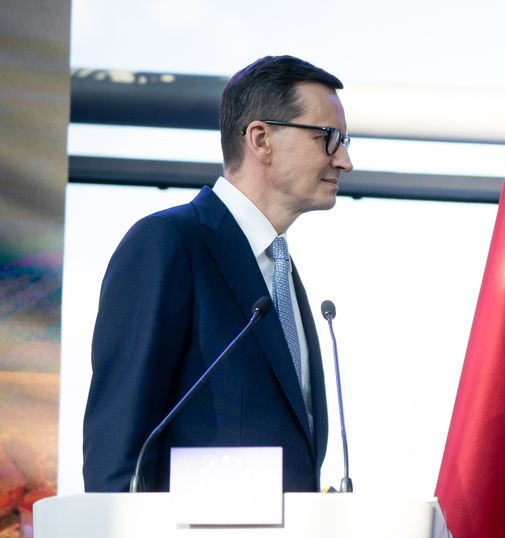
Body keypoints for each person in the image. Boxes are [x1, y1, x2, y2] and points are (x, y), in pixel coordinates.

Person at [83, 55, 353, 492]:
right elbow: (117, 453)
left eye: (346, 142)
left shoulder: (279, 269)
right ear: (261, 139)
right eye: (329, 138)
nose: (344, 160)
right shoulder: (167, 243)